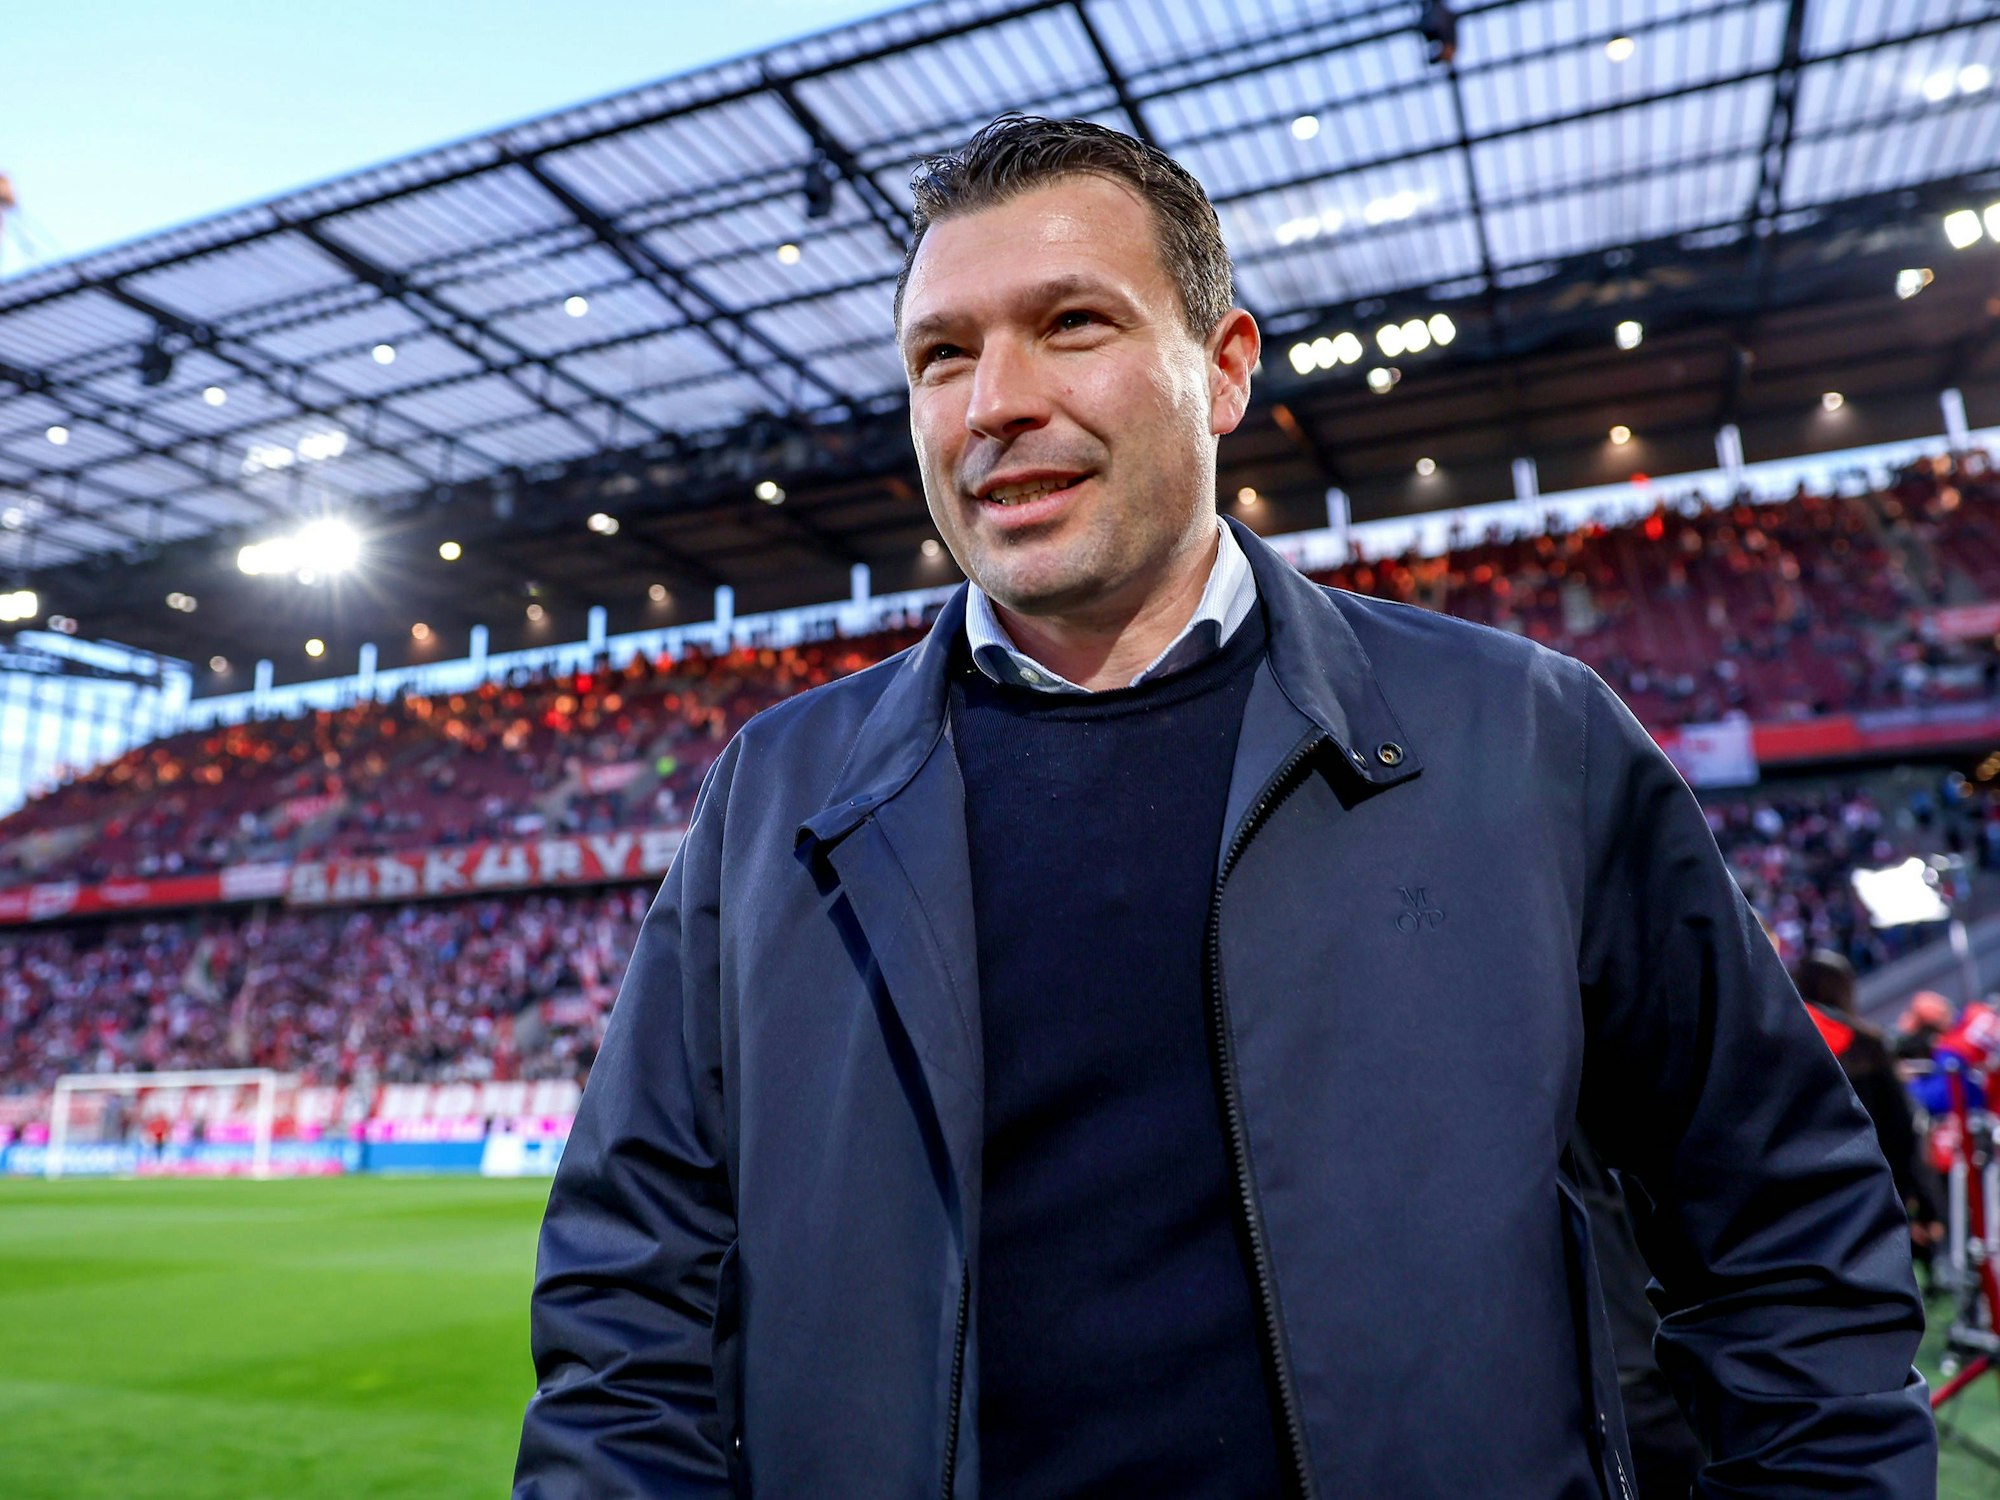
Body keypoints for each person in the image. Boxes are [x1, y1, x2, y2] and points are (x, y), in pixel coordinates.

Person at [515, 116, 1934, 1497]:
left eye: (1072, 323)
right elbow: (630, 1303)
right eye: (942, 354)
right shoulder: (776, 796)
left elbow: (1781, 1226)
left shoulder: (1523, 736)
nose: (995, 400)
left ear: (1226, 366)